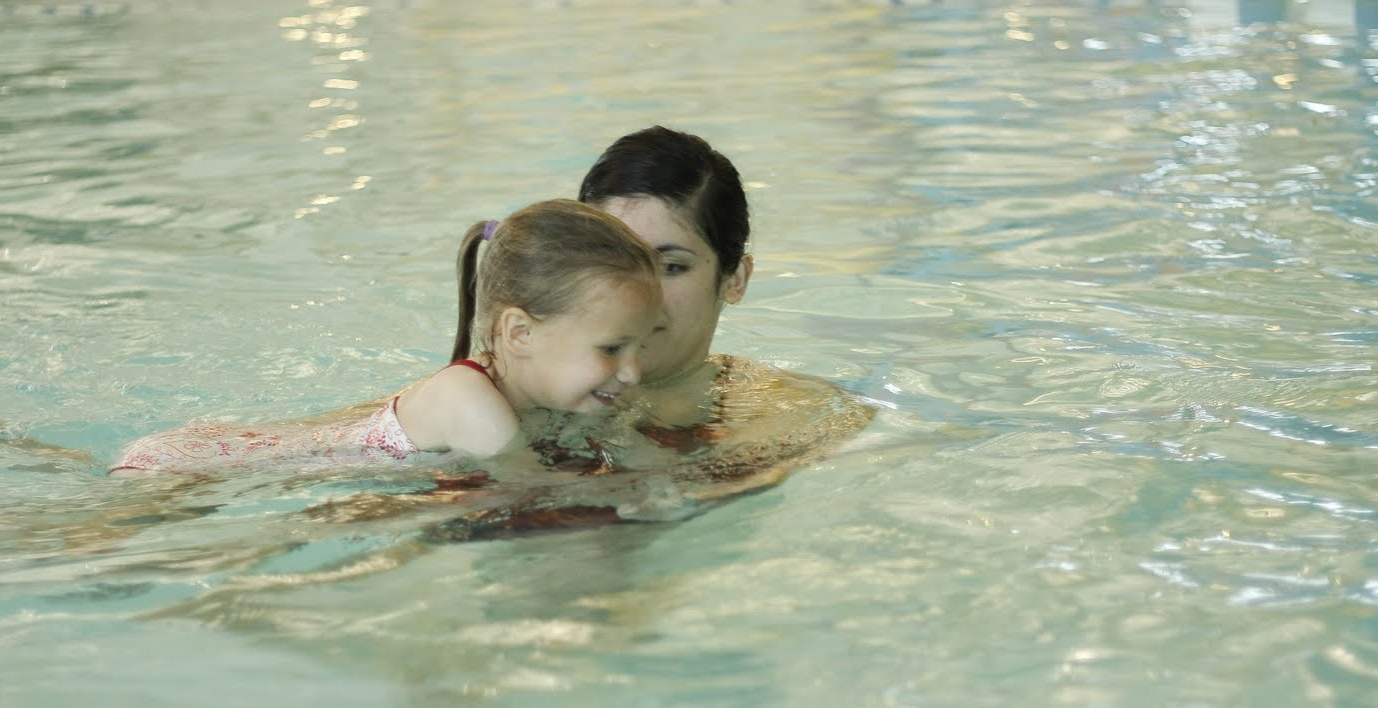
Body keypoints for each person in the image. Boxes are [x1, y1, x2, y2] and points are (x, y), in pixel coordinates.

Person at [108, 199, 663, 476]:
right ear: (519, 333)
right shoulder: (471, 404)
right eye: (612, 348)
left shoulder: (520, 389)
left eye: (641, 344)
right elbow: (540, 493)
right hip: (186, 471)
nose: (634, 370)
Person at [575, 126, 873, 463]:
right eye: (612, 261)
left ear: (735, 280)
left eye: (671, 267)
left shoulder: (801, 420)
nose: (634, 297)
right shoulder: (528, 393)